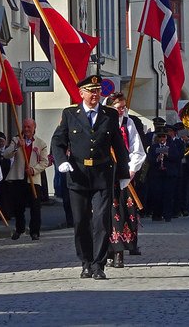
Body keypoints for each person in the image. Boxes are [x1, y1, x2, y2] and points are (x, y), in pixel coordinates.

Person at [50, 76, 129, 280]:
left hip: (102, 174)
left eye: (97, 91)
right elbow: (58, 140)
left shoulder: (109, 114)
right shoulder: (70, 114)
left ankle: (98, 264)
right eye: (90, 91)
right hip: (78, 175)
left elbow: (118, 145)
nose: (95, 95)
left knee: (102, 220)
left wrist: (123, 173)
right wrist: (61, 161)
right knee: (81, 221)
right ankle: (85, 262)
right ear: (81, 93)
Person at [105, 93, 146, 267]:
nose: (122, 110)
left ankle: (119, 253)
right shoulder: (102, 124)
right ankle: (107, 251)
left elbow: (137, 149)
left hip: (124, 176)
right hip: (105, 176)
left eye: (123, 107)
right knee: (106, 214)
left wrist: (131, 170)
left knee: (122, 214)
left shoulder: (128, 124)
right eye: (119, 107)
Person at [3, 118, 49, 241]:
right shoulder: (16, 140)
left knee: (35, 206)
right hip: (18, 177)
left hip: (33, 179)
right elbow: (6, 154)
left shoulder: (41, 143)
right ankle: (20, 228)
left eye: (29, 127)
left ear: (34, 127)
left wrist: (33, 170)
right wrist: (17, 146)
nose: (27, 129)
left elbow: (45, 162)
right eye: (25, 127)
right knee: (18, 206)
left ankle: (35, 231)